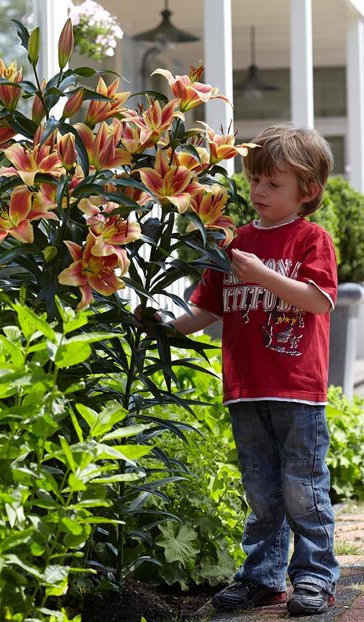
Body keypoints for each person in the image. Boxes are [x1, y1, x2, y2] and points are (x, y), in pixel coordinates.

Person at [141, 124, 340, 617]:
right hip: (245, 388)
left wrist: (261, 274)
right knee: (261, 489)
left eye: (273, 183)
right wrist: (165, 329)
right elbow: (208, 309)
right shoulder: (233, 244)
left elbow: (318, 300)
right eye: (254, 180)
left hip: (297, 389)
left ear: (306, 191)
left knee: (303, 487)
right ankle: (263, 577)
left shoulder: (311, 239)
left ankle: (315, 578)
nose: (257, 191)